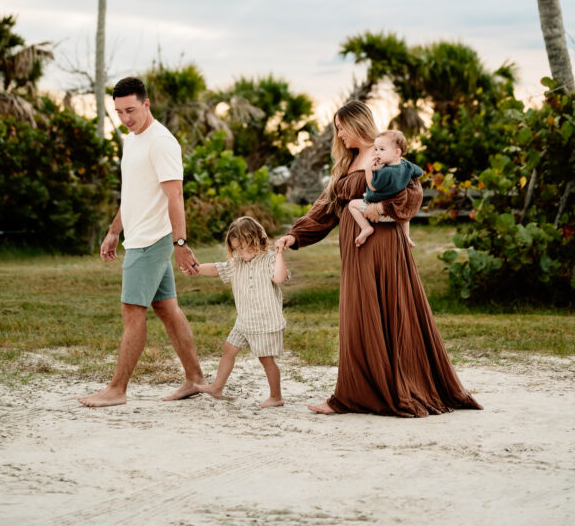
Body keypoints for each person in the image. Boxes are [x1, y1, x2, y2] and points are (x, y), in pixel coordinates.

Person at [275, 99, 481, 418]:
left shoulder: (383, 152)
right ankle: (359, 391)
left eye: (342, 128)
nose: (339, 134)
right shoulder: (349, 161)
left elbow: (411, 193)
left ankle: (363, 393)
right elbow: (328, 204)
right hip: (356, 247)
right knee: (358, 316)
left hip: (382, 245)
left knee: (382, 311)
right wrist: (296, 234)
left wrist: (376, 211)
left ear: (357, 124)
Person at [78, 76, 205, 408]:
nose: (125, 118)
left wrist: (180, 244)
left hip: (152, 240)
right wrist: (114, 230)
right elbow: (133, 193)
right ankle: (196, 379)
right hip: (138, 236)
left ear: (147, 104)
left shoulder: (161, 142)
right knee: (166, 308)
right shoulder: (131, 140)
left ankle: (117, 389)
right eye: (119, 112)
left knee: (132, 311)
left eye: (131, 110)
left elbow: (174, 195)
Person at [196, 216, 291, 409]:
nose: (242, 252)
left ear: (259, 241)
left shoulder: (269, 259)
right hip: (244, 321)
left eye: (247, 247)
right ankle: (216, 387)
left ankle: (276, 396)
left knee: (266, 360)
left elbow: (280, 278)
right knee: (228, 350)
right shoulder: (236, 264)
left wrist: (279, 254)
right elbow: (216, 268)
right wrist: (196, 268)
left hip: (265, 322)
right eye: (238, 249)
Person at [347, 129, 422, 248]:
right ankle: (406, 236)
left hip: (382, 213)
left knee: (352, 205)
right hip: (400, 213)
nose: (377, 153)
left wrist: (368, 169)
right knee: (406, 218)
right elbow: (419, 172)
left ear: (397, 152)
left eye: (382, 149)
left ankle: (366, 228)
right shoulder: (406, 166)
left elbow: (372, 185)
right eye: (376, 149)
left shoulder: (386, 172)